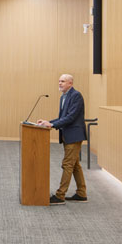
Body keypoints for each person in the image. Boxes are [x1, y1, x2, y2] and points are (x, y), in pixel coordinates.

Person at [37, 74, 87, 205]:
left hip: (74, 135)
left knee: (67, 164)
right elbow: (62, 117)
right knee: (75, 165)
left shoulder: (76, 96)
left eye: (63, 81)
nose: (60, 83)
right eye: (59, 81)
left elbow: (71, 117)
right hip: (67, 135)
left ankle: (60, 195)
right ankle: (82, 193)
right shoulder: (63, 97)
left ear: (70, 83)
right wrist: (49, 121)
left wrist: (52, 125)